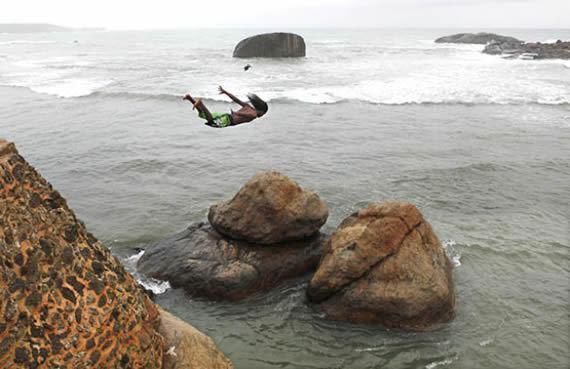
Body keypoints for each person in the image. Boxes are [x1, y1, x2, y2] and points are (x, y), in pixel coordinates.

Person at [183, 86, 268, 128]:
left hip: (226, 116)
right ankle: (200, 103)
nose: (262, 116)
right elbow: (248, 115)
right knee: (212, 121)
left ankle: (190, 98)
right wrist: (237, 113)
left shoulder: (248, 106)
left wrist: (225, 92)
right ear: (261, 110)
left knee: (203, 115)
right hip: (228, 120)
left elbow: (235, 99)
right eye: (263, 114)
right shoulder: (254, 114)